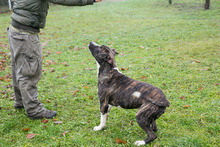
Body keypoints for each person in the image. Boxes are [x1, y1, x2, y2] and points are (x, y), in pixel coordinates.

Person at [7, 0, 102, 119]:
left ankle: (21, 101)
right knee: (29, 72)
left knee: (19, 68)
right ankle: (34, 110)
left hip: (15, 29)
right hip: (26, 33)